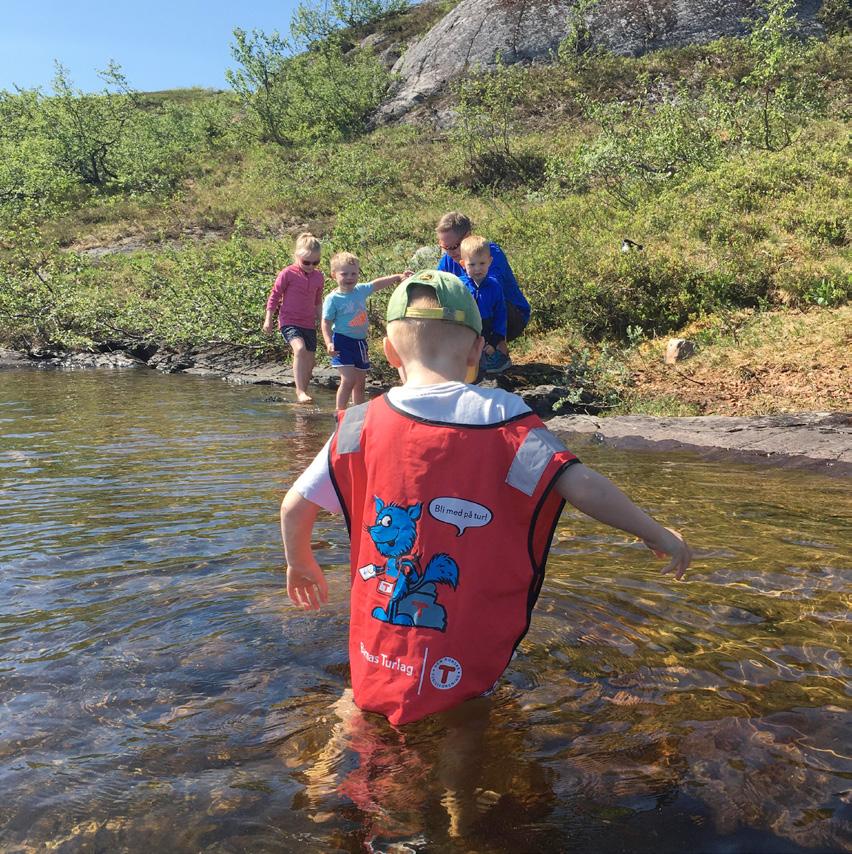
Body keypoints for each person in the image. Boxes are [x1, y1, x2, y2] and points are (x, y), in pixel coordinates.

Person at [280, 270, 692, 727]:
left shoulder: (358, 423)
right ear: (477, 351)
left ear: (389, 351)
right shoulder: (505, 417)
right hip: (459, 653)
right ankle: (463, 799)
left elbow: (295, 506)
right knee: (463, 727)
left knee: (358, 705)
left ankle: (322, 789)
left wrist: (300, 562)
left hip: (378, 646)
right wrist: (657, 534)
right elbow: (580, 484)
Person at [321, 252, 411, 412]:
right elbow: (326, 322)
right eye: (344, 274)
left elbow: (376, 284)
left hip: (360, 343)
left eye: (353, 273)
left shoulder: (360, 290)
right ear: (334, 275)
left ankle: (358, 412)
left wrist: (398, 277)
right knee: (348, 379)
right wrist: (328, 342)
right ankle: (339, 411)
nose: (350, 277)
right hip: (342, 342)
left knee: (360, 383)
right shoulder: (333, 299)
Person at [436, 212, 530, 354]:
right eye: (444, 247)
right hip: (475, 314)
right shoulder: (449, 259)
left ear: (467, 236)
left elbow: (490, 289)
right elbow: (438, 284)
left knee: (483, 295)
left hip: (509, 315)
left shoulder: (489, 253)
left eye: (454, 246)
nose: (450, 253)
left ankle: (499, 351)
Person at [263, 232, 325, 404]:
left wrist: (322, 323)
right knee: (299, 349)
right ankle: (300, 392)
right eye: (306, 262)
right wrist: (268, 319)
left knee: (311, 360)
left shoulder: (319, 277)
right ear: (297, 256)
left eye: (315, 262)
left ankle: (303, 392)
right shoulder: (287, 273)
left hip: (309, 323)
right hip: (289, 321)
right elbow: (274, 296)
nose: (310, 266)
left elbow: (318, 302)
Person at [457, 235, 510, 374]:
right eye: (472, 264)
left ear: (490, 261)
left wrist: (494, 341)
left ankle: (488, 363)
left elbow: (500, 315)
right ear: (463, 264)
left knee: (490, 362)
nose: (477, 269)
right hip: (465, 328)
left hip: (487, 329)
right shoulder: (459, 285)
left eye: (482, 263)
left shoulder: (494, 286)